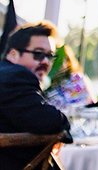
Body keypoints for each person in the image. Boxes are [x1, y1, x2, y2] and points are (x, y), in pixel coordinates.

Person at [0, 21, 70, 170]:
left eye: (49, 56)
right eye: (38, 54)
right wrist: (64, 120)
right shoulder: (16, 77)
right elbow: (51, 122)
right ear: (13, 54)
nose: (45, 62)